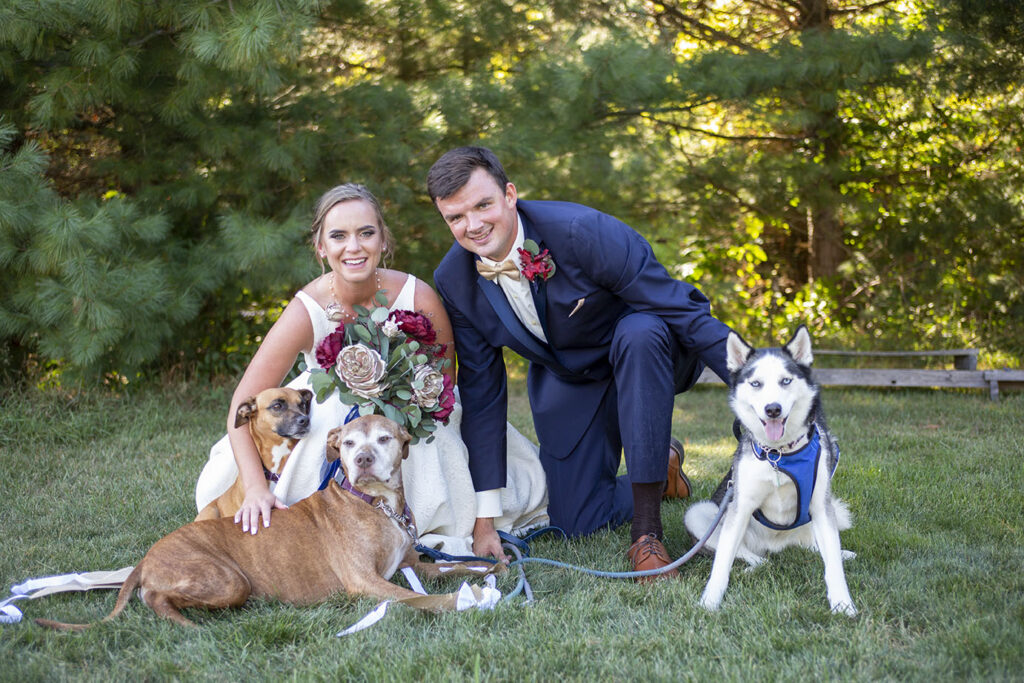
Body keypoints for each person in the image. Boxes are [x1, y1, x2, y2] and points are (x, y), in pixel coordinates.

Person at [195, 183, 548, 559]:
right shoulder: (306, 310)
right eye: (338, 236)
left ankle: (437, 520)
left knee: (431, 436)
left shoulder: (419, 297)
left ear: (383, 240)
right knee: (327, 430)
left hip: (411, 417)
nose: (354, 247)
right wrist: (254, 487)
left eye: (366, 233)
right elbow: (242, 404)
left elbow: (444, 386)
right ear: (321, 247)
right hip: (331, 418)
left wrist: (402, 401)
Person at [428, 147, 734, 578]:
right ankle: (661, 468)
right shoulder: (455, 279)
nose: (473, 226)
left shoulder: (580, 231)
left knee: (640, 332)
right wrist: (486, 518)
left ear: (510, 195)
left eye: (483, 205)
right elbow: (482, 393)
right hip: (572, 379)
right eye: (456, 218)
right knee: (574, 520)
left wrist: (756, 383)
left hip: (646, 352)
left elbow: (677, 307)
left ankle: (647, 534)